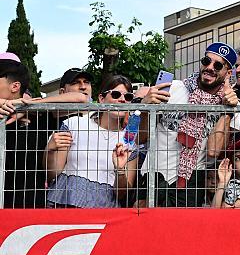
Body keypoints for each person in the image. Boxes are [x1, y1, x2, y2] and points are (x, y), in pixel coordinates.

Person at [139, 42, 240, 207]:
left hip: (190, 182)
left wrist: (227, 111)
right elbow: (140, 138)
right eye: (206, 61)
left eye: (218, 65)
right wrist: (145, 108)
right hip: (154, 173)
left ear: (228, 73)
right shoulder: (173, 88)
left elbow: (214, 151)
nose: (210, 67)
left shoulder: (231, 104)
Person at [0, 58, 88, 208]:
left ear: (15, 86)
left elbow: (82, 100)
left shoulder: (39, 114)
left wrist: (31, 105)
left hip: (29, 203)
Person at [45, 75, 139, 208]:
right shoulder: (74, 124)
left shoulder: (129, 143)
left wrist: (120, 170)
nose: (122, 100)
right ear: (101, 98)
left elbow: (122, 194)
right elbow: (51, 174)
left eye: (128, 97)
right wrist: (50, 150)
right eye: (116, 94)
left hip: (103, 210)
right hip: (65, 203)